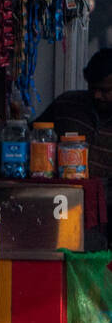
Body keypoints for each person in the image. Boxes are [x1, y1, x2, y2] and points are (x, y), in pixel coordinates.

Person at [37, 47, 112, 247]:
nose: (97, 96)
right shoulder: (68, 104)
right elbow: (36, 136)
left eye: (105, 91)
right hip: (61, 206)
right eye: (92, 88)